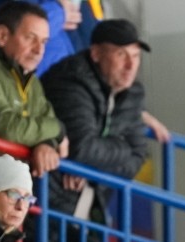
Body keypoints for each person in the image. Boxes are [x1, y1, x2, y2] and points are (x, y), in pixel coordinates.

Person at [41, 19, 149, 222]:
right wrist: (123, 148)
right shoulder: (71, 79)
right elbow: (81, 148)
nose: (131, 65)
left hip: (89, 205)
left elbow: (138, 156)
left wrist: (90, 170)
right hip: (48, 201)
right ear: (96, 54)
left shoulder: (133, 92)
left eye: (136, 56)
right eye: (121, 55)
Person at [0, 1, 68, 177]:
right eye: (30, 38)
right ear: (2, 36)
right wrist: (58, 129)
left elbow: (46, 119)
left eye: (44, 42)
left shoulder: (30, 77)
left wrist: (46, 144)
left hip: (6, 181)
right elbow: (6, 129)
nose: (39, 50)